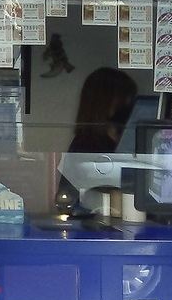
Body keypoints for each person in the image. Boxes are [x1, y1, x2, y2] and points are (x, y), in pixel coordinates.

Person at [55, 67, 138, 214]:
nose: (130, 107)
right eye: (126, 100)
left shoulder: (124, 141)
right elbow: (70, 199)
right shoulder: (85, 147)